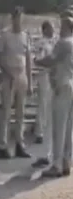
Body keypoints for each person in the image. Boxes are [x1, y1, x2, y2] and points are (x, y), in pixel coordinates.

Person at [35, 16, 73, 177]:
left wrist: (37, 61)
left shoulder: (63, 42)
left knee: (59, 127)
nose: (59, 28)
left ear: (68, 27)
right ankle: (66, 161)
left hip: (61, 85)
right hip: (70, 83)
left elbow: (51, 59)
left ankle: (56, 164)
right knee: (69, 128)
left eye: (62, 25)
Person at [0, 7, 32, 159]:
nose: (18, 20)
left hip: (21, 75)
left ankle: (19, 143)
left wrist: (29, 81)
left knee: (20, 112)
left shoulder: (25, 35)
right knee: (6, 111)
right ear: (12, 18)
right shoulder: (5, 34)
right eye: (16, 17)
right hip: (8, 75)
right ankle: (2, 144)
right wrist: (8, 72)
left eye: (20, 17)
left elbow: (28, 58)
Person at [31, 21, 56, 168]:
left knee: (52, 109)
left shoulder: (57, 42)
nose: (53, 30)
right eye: (50, 28)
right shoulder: (41, 43)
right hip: (45, 75)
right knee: (43, 105)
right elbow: (37, 60)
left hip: (55, 77)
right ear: (44, 29)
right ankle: (39, 132)